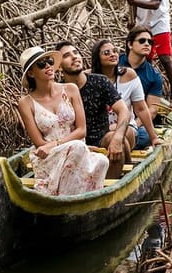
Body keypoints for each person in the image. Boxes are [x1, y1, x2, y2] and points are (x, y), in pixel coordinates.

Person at [17, 46, 109, 195]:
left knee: (102, 161)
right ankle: (63, 199)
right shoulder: (25, 103)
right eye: (41, 64)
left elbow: (81, 130)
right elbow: (39, 143)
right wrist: (63, 147)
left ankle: (69, 199)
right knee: (78, 147)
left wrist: (64, 145)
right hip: (48, 156)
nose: (48, 65)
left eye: (49, 61)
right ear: (31, 73)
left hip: (76, 149)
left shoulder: (71, 89)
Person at [55, 41, 131, 178]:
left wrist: (118, 138)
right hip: (72, 146)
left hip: (101, 143)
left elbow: (123, 111)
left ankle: (110, 187)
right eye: (67, 55)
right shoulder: (57, 91)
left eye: (76, 53)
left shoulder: (100, 81)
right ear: (59, 67)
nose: (74, 57)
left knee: (115, 138)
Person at [90, 39, 162, 150]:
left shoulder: (129, 75)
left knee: (126, 134)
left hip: (127, 127)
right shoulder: (89, 78)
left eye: (114, 51)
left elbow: (141, 109)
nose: (113, 55)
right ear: (97, 58)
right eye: (106, 53)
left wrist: (154, 138)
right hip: (100, 131)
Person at [119, 26, 165, 149]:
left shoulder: (154, 76)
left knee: (146, 136)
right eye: (142, 41)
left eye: (150, 42)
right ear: (130, 44)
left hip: (136, 122)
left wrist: (133, 125)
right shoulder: (115, 63)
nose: (147, 44)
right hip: (112, 117)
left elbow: (152, 110)